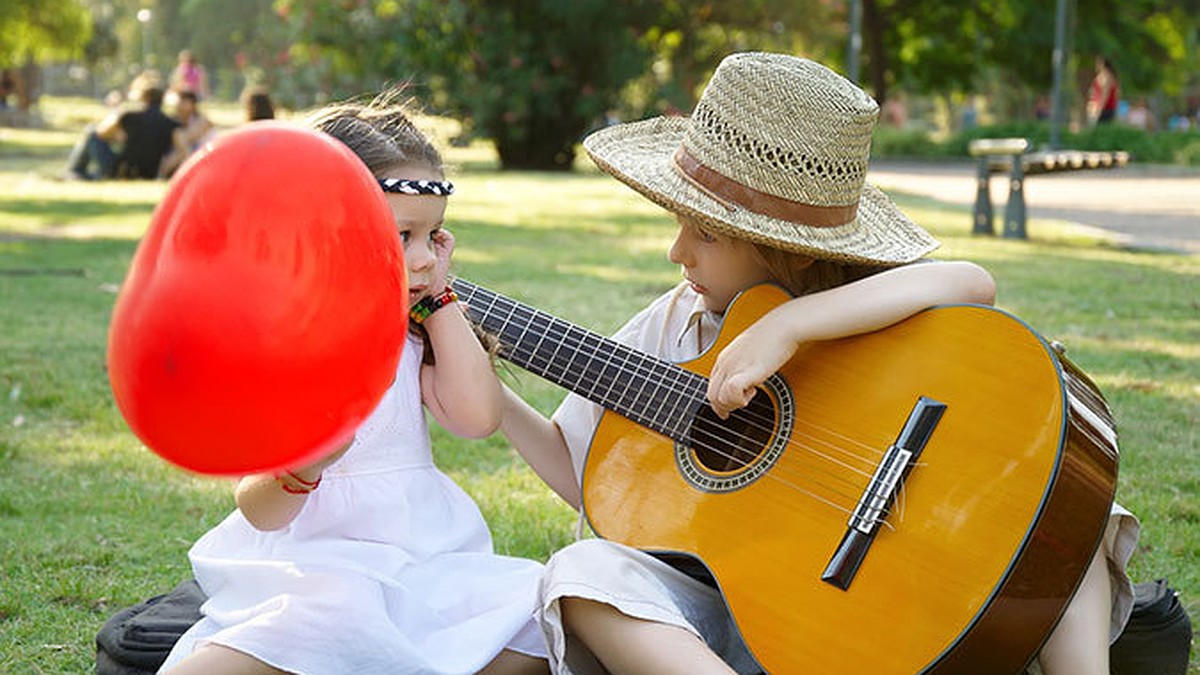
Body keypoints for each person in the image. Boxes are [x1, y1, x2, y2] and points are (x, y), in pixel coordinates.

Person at [496, 52, 1139, 674]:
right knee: (579, 571)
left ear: (795, 252)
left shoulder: (868, 306)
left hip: (901, 580)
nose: (676, 251)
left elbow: (971, 281)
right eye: (679, 223)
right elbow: (578, 464)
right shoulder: (676, 323)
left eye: (706, 233)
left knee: (1062, 504)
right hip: (759, 615)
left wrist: (789, 324)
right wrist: (493, 395)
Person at [158, 92, 549, 675]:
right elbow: (260, 510)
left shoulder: (416, 335)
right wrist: (308, 463)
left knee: (541, 607)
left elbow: (476, 418)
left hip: (422, 558)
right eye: (404, 236)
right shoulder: (286, 346)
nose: (421, 259)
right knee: (328, 619)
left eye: (434, 238)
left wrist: (441, 301)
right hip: (317, 565)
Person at [64, 76, 181, 180]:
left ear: (143, 96)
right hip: (149, 173)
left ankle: (74, 171)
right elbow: (181, 151)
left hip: (122, 171)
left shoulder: (128, 114)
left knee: (91, 131)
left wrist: (117, 135)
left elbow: (101, 132)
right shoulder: (170, 123)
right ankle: (91, 175)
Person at [159, 90, 215, 178]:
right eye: (178, 103)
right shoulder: (175, 120)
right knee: (178, 151)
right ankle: (189, 170)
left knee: (178, 137)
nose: (179, 106)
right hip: (186, 155)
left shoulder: (203, 121)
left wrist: (177, 137)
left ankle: (161, 174)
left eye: (183, 102)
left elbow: (187, 138)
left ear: (192, 105)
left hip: (205, 152)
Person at [1087, 56, 1120, 125]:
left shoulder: (1106, 77)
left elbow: (1105, 95)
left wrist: (1099, 110)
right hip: (1103, 108)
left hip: (1104, 109)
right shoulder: (1107, 76)